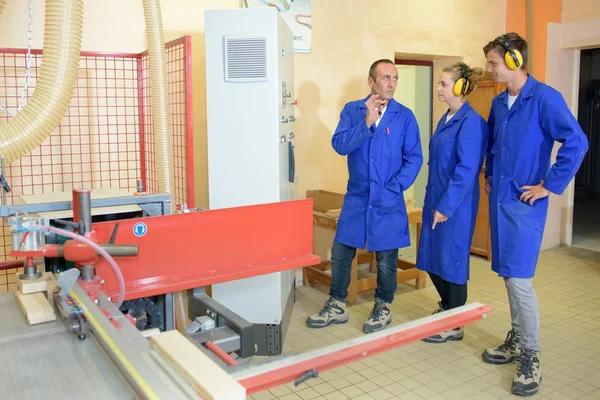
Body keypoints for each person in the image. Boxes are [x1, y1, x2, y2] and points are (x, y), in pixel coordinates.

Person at [481, 33, 588, 396]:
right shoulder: (498, 103)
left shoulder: (544, 99)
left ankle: (532, 355)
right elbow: (495, 144)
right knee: (509, 275)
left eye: (493, 63)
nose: (489, 69)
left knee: (521, 280)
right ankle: (516, 338)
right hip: (501, 201)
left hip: (526, 204)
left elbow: (577, 141)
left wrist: (550, 185)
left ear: (514, 61)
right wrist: (491, 176)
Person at [306, 59, 423, 334]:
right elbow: (340, 145)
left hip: (388, 198)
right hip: (357, 198)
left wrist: (396, 186)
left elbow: (415, 158)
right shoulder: (353, 111)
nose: (391, 83)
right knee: (341, 251)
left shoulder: (404, 117)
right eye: (385, 78)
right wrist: (367, 122)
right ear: (371, 82)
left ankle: (383, 306)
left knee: (386, 258)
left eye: (395, 78)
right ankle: (336, 305)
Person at [416, 62, 487, 343]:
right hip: (436, 197)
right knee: (432, 257)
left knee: (452, 260)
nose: (438, 88)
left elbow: (466, 171)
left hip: (455, 206)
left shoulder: (472, 123)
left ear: (460, 87)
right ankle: (448, 309)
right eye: (439, 83)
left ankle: (455, 323)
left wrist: (446, 207)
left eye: (444, 84)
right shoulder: (445, 118)